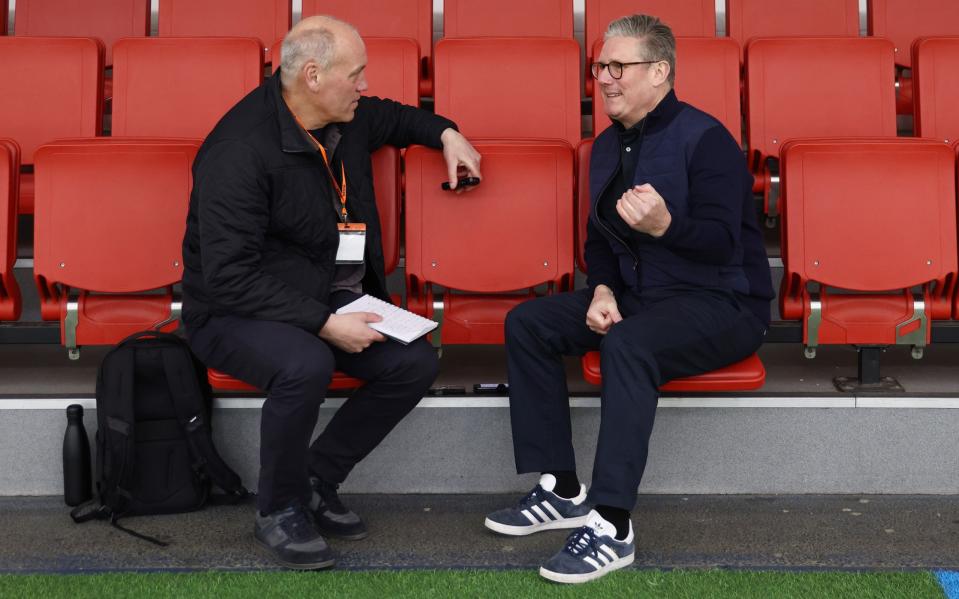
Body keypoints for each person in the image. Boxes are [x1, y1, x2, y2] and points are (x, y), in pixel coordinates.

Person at [181, 16, 481, 570]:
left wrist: (447, 133)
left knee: (413, 362)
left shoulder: (344, 114)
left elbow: (397, 116)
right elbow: (227, 276)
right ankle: (279, 508)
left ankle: (317, 477)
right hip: (231, 312)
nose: (364, 86)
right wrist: (321, 320)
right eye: (356, 74)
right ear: (313, 76)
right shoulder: (238, 151)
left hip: (327, 296)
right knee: (305, 363)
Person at [484, 14, 774, 584]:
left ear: (660, 71)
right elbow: (599, 241)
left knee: (629, 345)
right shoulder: (605, 147)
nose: (605, 79)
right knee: (528, 323)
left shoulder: (708, 139)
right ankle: (562, 488)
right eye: (600, 67)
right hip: (641, 295)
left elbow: (723, 243)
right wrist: (602, 288)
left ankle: (612, 524)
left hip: (722, 304)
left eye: (619, 66)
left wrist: (668, 226)